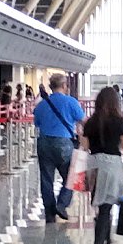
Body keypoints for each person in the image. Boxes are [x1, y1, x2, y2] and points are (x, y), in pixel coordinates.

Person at [81, 86, 123, 244]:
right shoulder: (119, 122)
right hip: (112, 165)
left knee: (103, 205)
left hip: (93, 165)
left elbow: (85, 146)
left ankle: (108, 241)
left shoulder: (90, 122)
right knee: (106, 207)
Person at [33, 73, 86, 223]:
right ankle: (62, 204)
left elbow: (37, 123)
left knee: (46, 179)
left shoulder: (42, 105)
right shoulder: (71, 102)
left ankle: (50, 213)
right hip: (63, 143)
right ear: (64, 86)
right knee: (72, 176)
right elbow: (83, 121)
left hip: (44, 143)